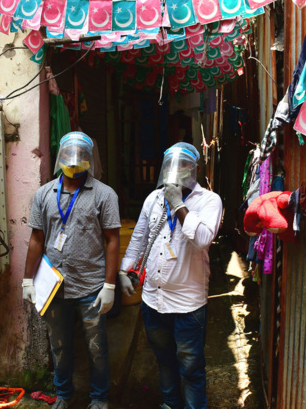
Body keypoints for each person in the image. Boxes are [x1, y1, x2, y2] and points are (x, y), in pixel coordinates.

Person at [118, 142, 223, 409]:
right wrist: (124, 269)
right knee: (164, 360)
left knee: (190, 367)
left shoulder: (210, 201)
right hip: (153, 300)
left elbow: (201, 239)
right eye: (171, 166)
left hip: (188, 305)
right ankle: (170, 404)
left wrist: (178, 204)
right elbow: (140, 238)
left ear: (194, 170)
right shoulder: (153, 199)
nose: (176, 171)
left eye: (184, 166)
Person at [22, 132, 121, 409]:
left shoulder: (104, 194)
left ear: (90, 159)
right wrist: (27, 280)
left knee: (96, 347)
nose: (74, 161)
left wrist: (110, 285)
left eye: (80, 155)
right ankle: (64, 395)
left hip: (90, 287)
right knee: (60, 346)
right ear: (60, 157)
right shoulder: (43, 194)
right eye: (69, 154)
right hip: (54, 288)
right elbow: (36, 239)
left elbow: (112, 240)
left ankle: (99, 398)